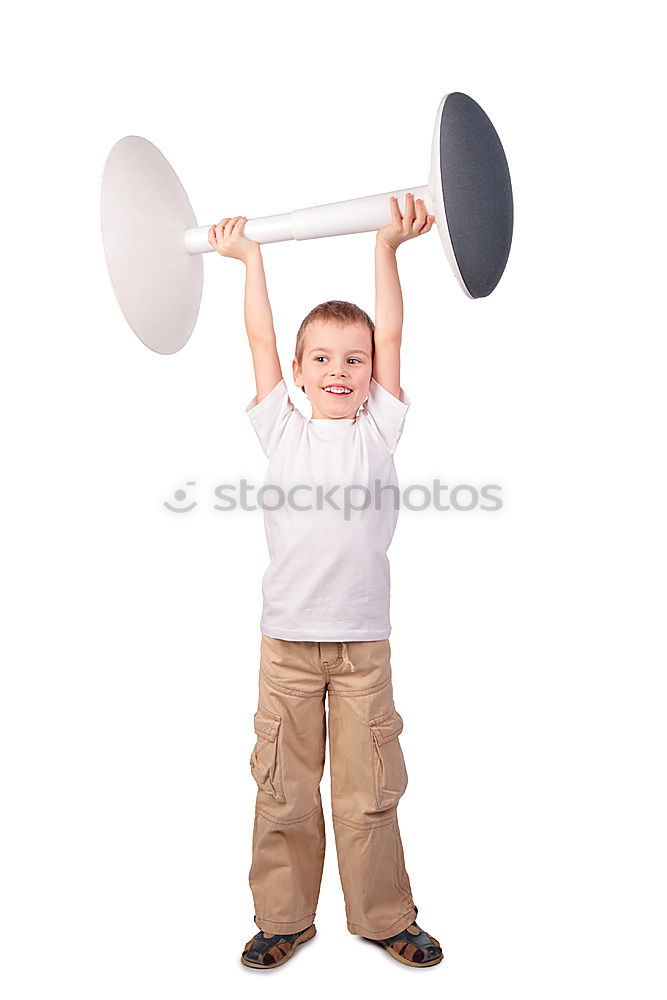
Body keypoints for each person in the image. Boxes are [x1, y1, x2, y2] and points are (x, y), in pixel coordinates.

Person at [208, 193, 443, 970]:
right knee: (282, 786)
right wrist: (251, 259)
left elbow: (395, 329)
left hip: (361, 646)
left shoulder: (381, 425)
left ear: (372, 373)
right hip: (287, 645)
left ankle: (382, 916)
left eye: (355, 357)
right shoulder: (280, 425)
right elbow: (258, 335)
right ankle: (283, 917)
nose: (339, 370)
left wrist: (386, 248)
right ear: (300, 373)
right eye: (322, 359)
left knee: (368, 789)